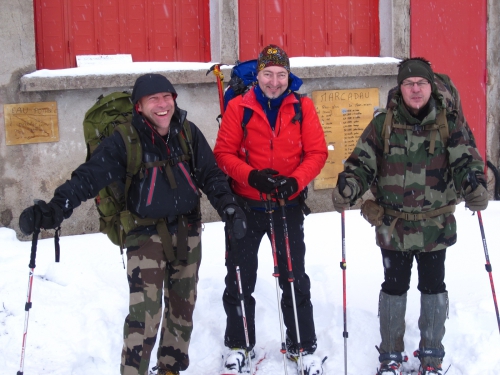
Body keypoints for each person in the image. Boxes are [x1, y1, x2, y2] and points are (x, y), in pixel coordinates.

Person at [19, 73, 247, 375]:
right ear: (138, 106)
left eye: (167, 97)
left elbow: (210, 174)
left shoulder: (188, 132)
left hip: (188, 232)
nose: (162, 105)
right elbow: (89, 178)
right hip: (145, 236)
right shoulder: (124, 141)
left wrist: (228, 206)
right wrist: (54, 209)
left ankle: (169, 369)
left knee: (182, 310)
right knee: (145, 317)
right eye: (153, 99)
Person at [331, 58, 488, 375]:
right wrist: (350, 184)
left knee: (433, 287)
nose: (415, 89)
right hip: (393, 226)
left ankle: (432, 355)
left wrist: (473, 184)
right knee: (394, 287)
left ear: (430, 87)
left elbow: (465, 160)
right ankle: (390, 355)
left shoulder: (449, 122)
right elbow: (362, 163)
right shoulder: (382, 124)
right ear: (399, 88)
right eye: (408, 84)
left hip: (435, 225)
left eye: (421, 83)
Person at [214, 45, 328, 374]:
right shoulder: (240, 107)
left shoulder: (302, 107)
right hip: (246, 204)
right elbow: (223, 153)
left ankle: (302, 347)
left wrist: (295, 182)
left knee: (293, 278)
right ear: (258, 76)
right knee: (239, 276)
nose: (274, 81)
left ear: (288, 76)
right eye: (267, 74)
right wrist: (252, 177)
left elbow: (317, 153)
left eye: (280, 74)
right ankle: (239, 344)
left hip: (287, 205)